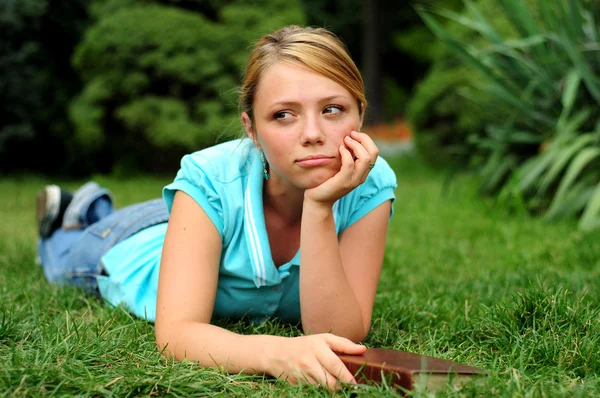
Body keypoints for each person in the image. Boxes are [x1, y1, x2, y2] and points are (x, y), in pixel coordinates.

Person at [36, 25, 397, 390]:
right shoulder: (208, 175)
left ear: (361, 115)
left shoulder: (371, 181)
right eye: (284, 115)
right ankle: (78, 212)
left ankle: (92, 208)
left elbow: (339, 334)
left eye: (333, 109)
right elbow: (176, 333)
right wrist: (275, 354)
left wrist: (319, 206)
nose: (312, 133)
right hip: (130, 243)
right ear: (251, 128)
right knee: (65, 253)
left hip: (203, 218)